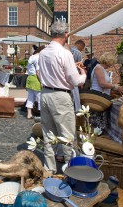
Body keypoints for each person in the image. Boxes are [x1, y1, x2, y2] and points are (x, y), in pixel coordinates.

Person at [39, 21, 86, 174]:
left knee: (48, 134)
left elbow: (43, 73)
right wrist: (83, 74)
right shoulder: (65, 53)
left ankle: (50, 168)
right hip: (60, 95)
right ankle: (70, 170)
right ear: (66, 34)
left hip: (45, 93)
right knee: (67, 135)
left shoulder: (44, 52)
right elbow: (75, 81)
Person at [89, 52, 123, 133]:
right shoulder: (99, 68)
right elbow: (102, 83)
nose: (112, 65)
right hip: (98, 97)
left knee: (98, 120)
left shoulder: (102, 69)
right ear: (108, 61)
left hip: (101, 97)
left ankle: (97, 133)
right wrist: (116, 87)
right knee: (96, 119)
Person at [25, 45, 46, 119]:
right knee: (40, 97)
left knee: (30, 97)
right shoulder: (38, 58)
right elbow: (38, 71)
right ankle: (41, 115)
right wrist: (42, 81)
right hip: (36, 79)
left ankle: (29, 114)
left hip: (30, 78)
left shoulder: (32, 56)